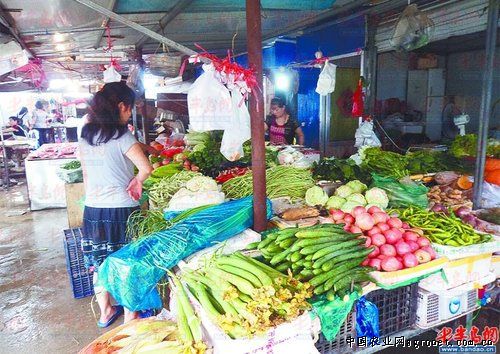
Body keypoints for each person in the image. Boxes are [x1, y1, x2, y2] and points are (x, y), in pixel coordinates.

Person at [79, 82, 154, 327]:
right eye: (129, 109)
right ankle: (131, 314)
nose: (129, 114)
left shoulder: (87, 133)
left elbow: (86, 172)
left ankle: (106, 311)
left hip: (93, 209)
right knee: (126, 260)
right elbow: (146, 168)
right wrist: (137, 182)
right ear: (121, 106)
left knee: (100, 262)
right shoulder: (122, 135)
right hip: (121, 208)